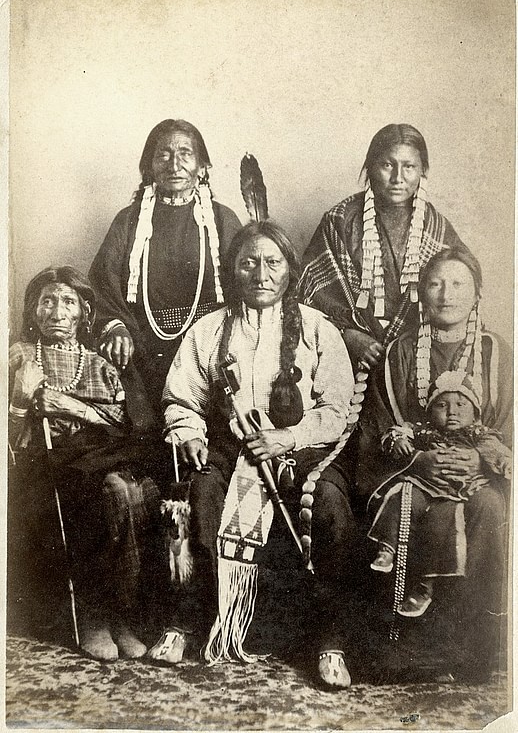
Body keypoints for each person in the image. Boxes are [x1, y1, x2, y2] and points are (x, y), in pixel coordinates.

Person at [161, 220, 359, 688]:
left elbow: (336, 409)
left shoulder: (316, 329)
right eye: (248, 262)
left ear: (290, 269)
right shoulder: (210, 330)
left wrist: (287, 438)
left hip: (305, 452)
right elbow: (180, 398)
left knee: (328, 505)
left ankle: (330, 642)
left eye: (273, 262)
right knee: (203, 490)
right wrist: (188, 432)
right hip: (232, 451)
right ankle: (188, 624)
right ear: (233, 270)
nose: (261, 273)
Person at [361, 247, 512, 680]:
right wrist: (418, 460)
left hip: (477, 476)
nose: (446, 294)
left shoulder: (497, 353)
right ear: (421, 293)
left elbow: (506, 425)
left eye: (459, 283)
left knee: (491, 509)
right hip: (415, 473)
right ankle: (404, 647)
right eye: (435, 283)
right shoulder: (399, 354)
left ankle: (476, 647)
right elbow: (383, 426)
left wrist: (480, 461)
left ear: (477, 292)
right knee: (407, 507)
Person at [8, 266, 165, 662]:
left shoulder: (100, 364)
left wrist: (71, 407)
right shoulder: (18, 358)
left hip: (99, 460)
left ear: (84, 313)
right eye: (47, 301)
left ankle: (120, 612)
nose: (57, 312)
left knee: (130, 489)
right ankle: (94, 613)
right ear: (33, 311)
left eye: (68, 302)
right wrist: (21, 402)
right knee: (104, 490)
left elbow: (128, 424)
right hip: (44, 472)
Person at [89, 119, 241, 423]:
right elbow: (102, 282)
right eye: (164, 154)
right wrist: (115, 327)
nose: (175, 164)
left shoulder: (223, 220)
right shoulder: (129, 220)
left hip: (211, 347)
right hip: (143, 348)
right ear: (149, 166)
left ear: (202, 165)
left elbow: (246, 286)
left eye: (185, 153)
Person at [299, 123, 468, 371]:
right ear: (370, 167)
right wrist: (348, 335)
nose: (398, 178)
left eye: (409, 167)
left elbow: (463, 294)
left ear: (422, 171)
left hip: (419, 356)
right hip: (347, 353)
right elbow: (308, 294)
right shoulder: (340, 221)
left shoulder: (436, 228)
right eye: (387, 165)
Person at [368, 370, 511, 618]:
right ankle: (386, 548)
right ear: (430, 410)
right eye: (442, 405)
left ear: (475, 412)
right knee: (402, 494)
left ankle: (425, 588)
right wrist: (398, 440)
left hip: (457, 492)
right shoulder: (425, 431)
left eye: (460, 404)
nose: (452, 411)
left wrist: (506, 464)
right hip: (426, 485)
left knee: (442, 523)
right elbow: (398, 432)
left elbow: (498, 453)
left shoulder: (477, 434)